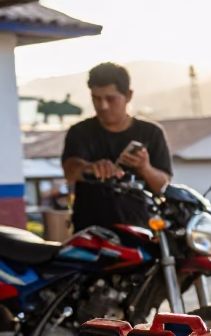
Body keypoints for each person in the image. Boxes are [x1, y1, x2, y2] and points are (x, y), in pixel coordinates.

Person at [62, 63, 173, 231]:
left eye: (110, 99)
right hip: (91, 231)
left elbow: (163, 186)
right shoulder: (80, 132)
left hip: (140, 230)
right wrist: (91, 168)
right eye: (96, 98)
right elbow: (70, 170)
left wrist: (145, 168)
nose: (103, 106)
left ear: (128, 95)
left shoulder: (151, 133)